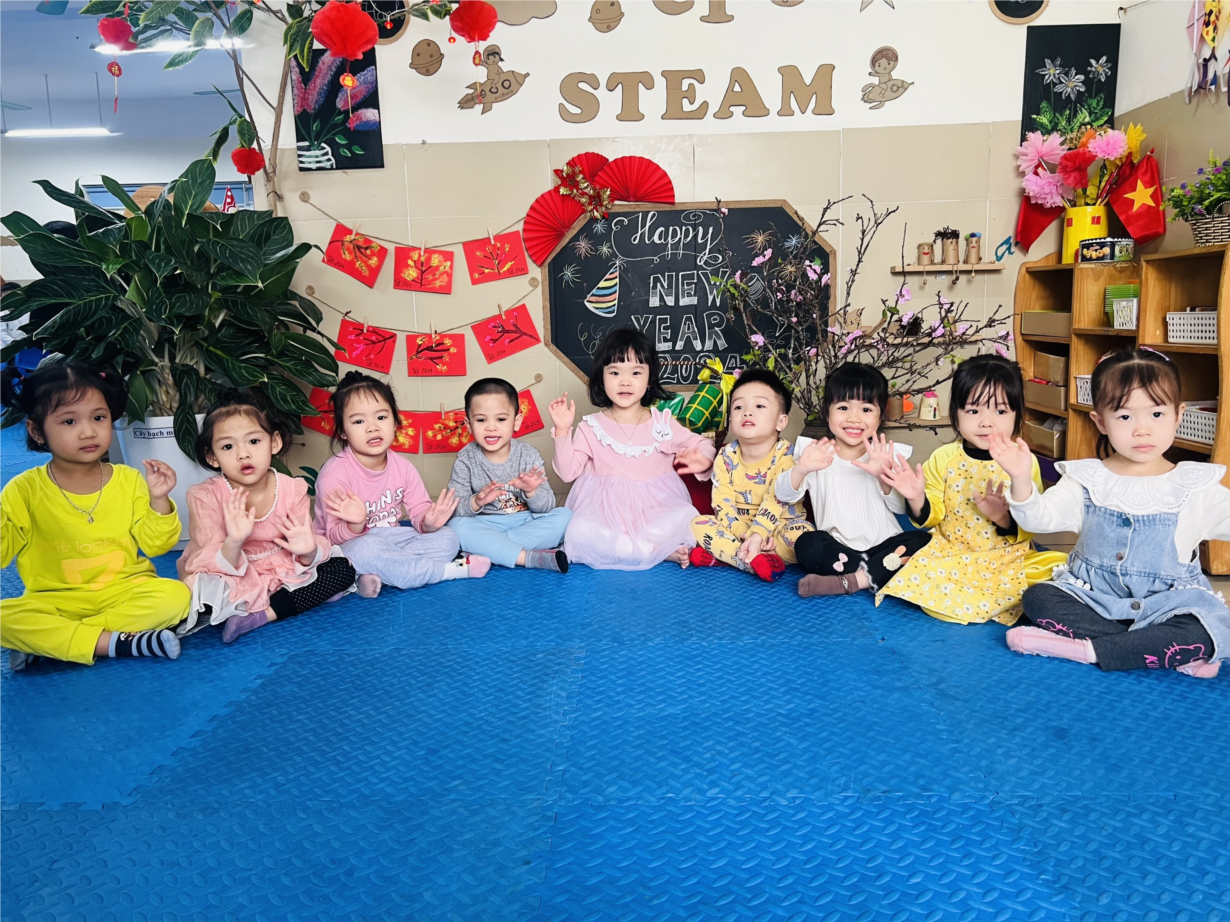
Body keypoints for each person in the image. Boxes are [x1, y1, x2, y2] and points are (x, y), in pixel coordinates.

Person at [990, 348, 1230, 677]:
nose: (1142, 429)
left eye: (1156, 414)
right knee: (1038, 598)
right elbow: (1038, 520)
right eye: (1125, 417)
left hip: (1170, 607)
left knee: (1209, 625)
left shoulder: (1196, 487)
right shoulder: (1086, 479)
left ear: (1178, 415)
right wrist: (1020, 479)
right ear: (1100, 421)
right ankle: (1156, 649)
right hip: (1094, 601)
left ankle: (1084, 650)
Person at [0, 361, 188, 671]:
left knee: (176, 595)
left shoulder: (128, 480)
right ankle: (117, 642)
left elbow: (157, 546)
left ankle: (57, 643)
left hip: (125, 591)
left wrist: (159, 500)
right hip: (54, 601)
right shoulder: (23, 490)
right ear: (37, 431)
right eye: (69, 421)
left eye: (99, 417)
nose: (88, 431)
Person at [877, 354, 1065, 624]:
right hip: (953, 555)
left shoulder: (1023, 460)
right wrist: (916, 497)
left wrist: (1002, 517)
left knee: (1062, 568)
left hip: (1007, 558)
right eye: (974, 411)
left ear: (1017, 414)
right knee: (925, 577)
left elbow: (1033, 521)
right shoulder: (943, 457)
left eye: (1000, 411)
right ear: (956, 412)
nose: (986, 422)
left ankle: (995, 598)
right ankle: (996, 601)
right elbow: (933, 515)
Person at [178, 392, 357, 642]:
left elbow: (304, 546)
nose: (243, 454)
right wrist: (234, 541)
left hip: (283, 566)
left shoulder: (292, 489)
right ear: (212, 456)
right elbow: (204, 559)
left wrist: (307, 552)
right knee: (199, 592)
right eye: (228, 447)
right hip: (232, 571)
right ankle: (298, 600)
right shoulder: (205, 496)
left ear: (274, 442)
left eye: (254, 441)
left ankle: (262, 615)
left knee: (342, 570)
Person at [550, 327, 716, 570]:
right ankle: (656, 551)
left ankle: (637, 548)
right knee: (579, 530)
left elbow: (702, 444)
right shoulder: (590, 427)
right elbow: (567, 473)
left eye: (636, 372)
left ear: (649, 380)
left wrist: (704, 458)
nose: (625, 381)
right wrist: (563, 430)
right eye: (614, 372)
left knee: (687, 515)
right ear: (602, 378)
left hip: (655, 512)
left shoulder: (663, 423)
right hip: (605, 516)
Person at [313, 371, 487, 598]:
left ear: (395, 422)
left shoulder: (402, 466)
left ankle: (369, 575)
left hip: (392, 540)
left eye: (381, 417)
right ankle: (448, 571)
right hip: (347, 547)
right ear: (343, 432)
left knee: (449, 538)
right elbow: (334, 537)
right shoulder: (334, 475)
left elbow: (419, 512)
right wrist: (356, 524)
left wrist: (429, 522)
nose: (372, 427)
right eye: (358, 421)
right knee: (366, 550)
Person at [779, 363, 931, 597]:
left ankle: (853, 580)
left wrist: (883, 477)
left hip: (886, 545)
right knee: (807, 543)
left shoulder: (886, 454)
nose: (854, 418)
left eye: (866, 409)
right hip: (839, 549)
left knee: (923, 540)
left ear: (880, 416)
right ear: (827, 413)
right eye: (843, 407)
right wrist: (802, 469)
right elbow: (784, 495)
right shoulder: (816, 453)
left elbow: (900, 508)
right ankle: (876, 572)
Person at [689, 367, 811, 581]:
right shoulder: (726, 456)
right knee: (697, 524)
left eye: (759, 406)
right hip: (739, 530)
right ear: (731, 421)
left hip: (779, 527)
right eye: (738, 407)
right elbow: (722, 502)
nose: (747, 412)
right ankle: (750, 560)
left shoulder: (788, 455)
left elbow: (776, 501)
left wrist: (758, 534)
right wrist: (743, 532)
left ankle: (729, 556)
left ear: (781, 421)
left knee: (804, 535)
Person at [446, 377, 571, 572]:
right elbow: (454, 509)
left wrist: (531, 492)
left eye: (501, 419)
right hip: (485, 523)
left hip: (524, 521)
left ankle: (492, 548)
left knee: (565, 516)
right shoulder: (465, 458)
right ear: (469, 424)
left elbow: (547, 506)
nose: (491, 427)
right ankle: (528, 557)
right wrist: (476, 501)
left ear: (516, 421)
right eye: (481, 420)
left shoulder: (528, 454)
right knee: (456, 527)